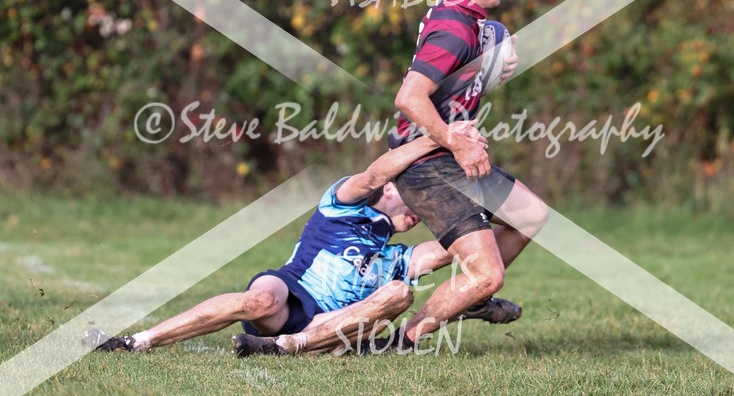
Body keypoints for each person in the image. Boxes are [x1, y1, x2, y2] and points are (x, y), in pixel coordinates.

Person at [84, 121, 521, 357]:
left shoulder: (399, 256)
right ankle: (136, 341)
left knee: (399, 293)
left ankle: (286, 348)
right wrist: (438, 139)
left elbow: (472, 248)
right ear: (394, 189)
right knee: (260, 300)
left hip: (324, 329)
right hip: (291, 293)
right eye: (416, 195)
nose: (420, 209)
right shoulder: (344, 204)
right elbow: (375, 172)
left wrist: (509, 218)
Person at [387, 0, 550, 350]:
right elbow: (409, 97)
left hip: (447, 158)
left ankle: (472, 298)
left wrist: (486, 66)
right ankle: (405, 338)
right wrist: (455, 140)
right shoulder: (456, 28)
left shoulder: (467, 19)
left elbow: (455, 73)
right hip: (428, 166)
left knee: (530, 216)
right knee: (487, 274)